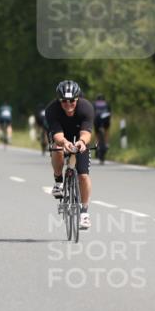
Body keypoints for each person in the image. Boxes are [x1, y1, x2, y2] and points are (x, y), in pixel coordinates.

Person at [45, 80, 95, 230]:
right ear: (58, 100)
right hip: (61, 135)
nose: (68, 104)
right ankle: (59, 180)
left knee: (83, 175)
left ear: (77, 98)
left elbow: (86, 133)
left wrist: (81, 142)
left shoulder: (86, 107)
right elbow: (58, 136)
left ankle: (84, 213)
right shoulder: (52, 110)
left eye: (72, 100)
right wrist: (64, 143)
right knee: (57, 148)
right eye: (64, 101)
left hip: (80, 137)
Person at [92, 94, 111, 163]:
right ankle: (106, 143)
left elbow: (92, 113)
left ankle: (96, 145)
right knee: (106, 131)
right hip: (105, 120)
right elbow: (110, 113)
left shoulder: (94, 104)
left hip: (97, 120)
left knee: (97, 134)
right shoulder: (107, 104)